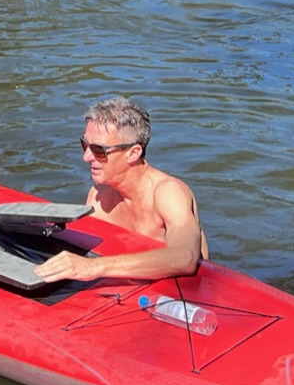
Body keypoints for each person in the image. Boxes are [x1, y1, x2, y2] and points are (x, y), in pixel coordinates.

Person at [36, 95, 207, 284]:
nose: (86, 157)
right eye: (85, 145)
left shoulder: (168, 193)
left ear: (133, 153)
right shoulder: (99, 197)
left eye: (98, 150)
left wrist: (95, 267)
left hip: (185, 300)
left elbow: (185, 258)